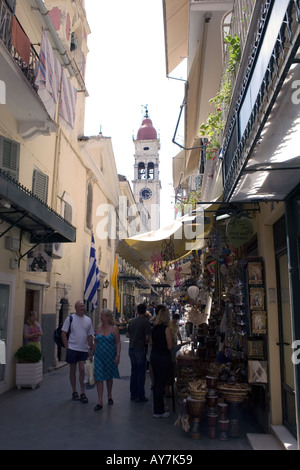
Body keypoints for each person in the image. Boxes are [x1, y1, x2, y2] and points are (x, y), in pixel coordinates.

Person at [61, 300, 94, 403]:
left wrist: (91, 349)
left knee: (82, 370)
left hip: (83, 349)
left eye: (83, 306)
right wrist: (67, 347)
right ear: (75, 308)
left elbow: (90, 335)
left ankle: (83, 392)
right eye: (80, 306)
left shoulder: (88, 320)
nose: (82, 308)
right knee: (72, 370)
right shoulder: (70, 319)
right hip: (72, 348)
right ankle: (74, 391)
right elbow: (63, 333)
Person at [91, 309, 121, 411]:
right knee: (99, 377)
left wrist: (118, 355)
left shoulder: (114, 329)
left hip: (110, 356)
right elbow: (96, 342)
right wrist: (91, 354)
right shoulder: (98, 328)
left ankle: (109, 395)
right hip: (99, 356)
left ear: (108, 317)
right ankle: (100, 400)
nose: (100, 317)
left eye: (102, 315)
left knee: (109, 376)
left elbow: (118, 343)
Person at [150, 305, 173, 418]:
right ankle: (159, 411)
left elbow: (150, 343)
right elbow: (169, 346)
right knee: (161, 383)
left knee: (156, 383)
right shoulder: (166, 329)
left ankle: (158, 407)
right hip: (163, 357)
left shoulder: (154, 328)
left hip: (154, 356)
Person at [126, 303, 151, 402]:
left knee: (134, 371)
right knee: (141, 372)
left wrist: (134, 336)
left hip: (131, 348)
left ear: (137, 311)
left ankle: (133, 393)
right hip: (140, 349)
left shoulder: (132, 321)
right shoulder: (146, 323)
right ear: (145, 311)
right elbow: (147, 338)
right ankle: (140, 395)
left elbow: (127, 335)